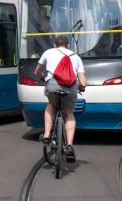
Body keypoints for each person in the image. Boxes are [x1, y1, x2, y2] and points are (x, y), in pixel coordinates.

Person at [34, 35, 86, 163]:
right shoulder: (76, 56)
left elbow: (37, 71)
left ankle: (46, 135)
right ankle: (69, 146)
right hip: (70, 88)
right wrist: (81, 87)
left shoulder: (48, 52)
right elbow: (83, 82)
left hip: (52, 85)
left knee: (51, 104)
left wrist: (43, 77)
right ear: (68, 45)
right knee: (69, 113)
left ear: (54, 45)